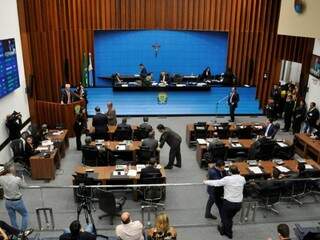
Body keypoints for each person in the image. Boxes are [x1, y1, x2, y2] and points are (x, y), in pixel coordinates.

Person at [204, 165, 246, 239]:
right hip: (239, 204)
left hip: (229, 203)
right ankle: (223, 229)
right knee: (229, 217)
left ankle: (229, 233)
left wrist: (205, 182)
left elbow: (216, 183)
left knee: (225, 218)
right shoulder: (242, 178)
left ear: (229, 172)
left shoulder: (227, 179)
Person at [0, 163, 29, 230]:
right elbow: (25, 186)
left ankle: (16, 232)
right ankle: (22, 232)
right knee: (25, 215)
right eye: (14, 167)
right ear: (11, 169)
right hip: (17, 201)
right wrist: (23, 179)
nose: (15, 168)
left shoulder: (1, 178)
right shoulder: (17, 179)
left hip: (7, 202)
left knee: (12, 218)